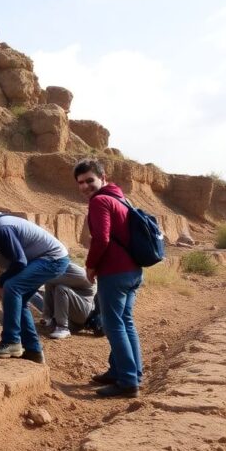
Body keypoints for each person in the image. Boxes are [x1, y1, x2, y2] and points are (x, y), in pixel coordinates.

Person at [0, 200, 71, 363]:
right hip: (34, 261)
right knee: (18, 299)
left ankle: (11, 341)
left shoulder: (0, 228)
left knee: (11, 287)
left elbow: (19, 262)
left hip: (52, 258)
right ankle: (33, 351)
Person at [74, 159, 144, 398]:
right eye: (80, 183)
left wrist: (90, 265)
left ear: (103, 177)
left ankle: (127, 382)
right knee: (125, 321)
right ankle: (125, 371)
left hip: (114, 272)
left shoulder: (100, 201)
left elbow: (101, 239)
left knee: (113, 325)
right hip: (133, 271)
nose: (85, 186)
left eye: (89, 180)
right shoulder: (120, 198)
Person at [40, 262, 97, 339]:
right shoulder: (62, 270)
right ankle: (49, 319)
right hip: (74, 319)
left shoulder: (78, 273)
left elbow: (47, 279)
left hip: (84, 315)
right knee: (50, 284)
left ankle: (62, 328)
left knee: (61, 288)